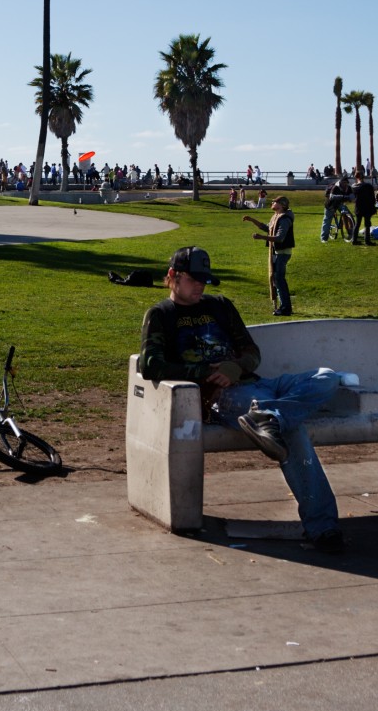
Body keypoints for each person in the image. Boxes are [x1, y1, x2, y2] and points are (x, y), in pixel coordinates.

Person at [138, 247, 345, 552]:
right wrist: (204, 372)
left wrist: (236, 367)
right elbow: (150, 364)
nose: (201, 287)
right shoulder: (161, 315)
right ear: (173, 277)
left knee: (327, 377)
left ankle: (271, 417)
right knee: (294, 431)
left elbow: (252, 352)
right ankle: (323, 527)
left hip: (259, 384)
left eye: (205, 281)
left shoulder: (220, 306)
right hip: (226, 395)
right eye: (194, 280)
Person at [243, 195, 296, 316]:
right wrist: (252, 220)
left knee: (279, 279)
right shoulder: (276, 216)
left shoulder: (284, 219)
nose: (272, 202)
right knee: (277, 279)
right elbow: (268, 228)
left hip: (282, 253)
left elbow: (279, 238)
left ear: (282, 205)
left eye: (275, 202)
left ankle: (286, 308)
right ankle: (283, 306)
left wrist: (261, 237)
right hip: (277, 252)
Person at [321, 175, 352, 242]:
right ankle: (324, 238)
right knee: (327, 220)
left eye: (346, 183)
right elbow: (332, 196)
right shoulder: (335, 187)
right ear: (341, 182)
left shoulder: (348, 188)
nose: (345, 184)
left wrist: (351, 197)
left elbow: (352, 195)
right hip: (330, 204)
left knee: (348, 214)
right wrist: (343, 196)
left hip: (340, 203)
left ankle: (351, 233)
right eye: (344, 183)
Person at [352, 177, 378, 246]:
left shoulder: (354, 187)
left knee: (357, 224)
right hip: (367, 207)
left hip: (358, 207)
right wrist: (373, 207)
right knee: (367, 224)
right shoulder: (368, 186)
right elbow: (372, 198)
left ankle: (354, 240)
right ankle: (367, 241)